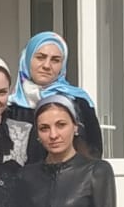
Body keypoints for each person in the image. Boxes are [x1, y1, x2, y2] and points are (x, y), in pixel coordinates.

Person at [6, 32, 104, 162]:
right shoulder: (11, 106)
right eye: (40, 57)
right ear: (27, 59)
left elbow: (93, 151)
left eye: (55, 60)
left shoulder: (77, 102)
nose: (46, 66)